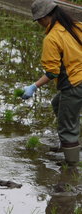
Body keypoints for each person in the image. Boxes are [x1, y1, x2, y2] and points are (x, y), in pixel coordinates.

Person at [21, 0, 82, 166]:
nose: (40, 24)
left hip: (75, 84)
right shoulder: (76, 26)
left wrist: (34, 86)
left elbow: (52, 72)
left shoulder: (52, 38)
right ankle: (73, 141)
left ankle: (71, 169)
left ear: (46, 17)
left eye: (39, 20)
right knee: (57, 103)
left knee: (66, 128)